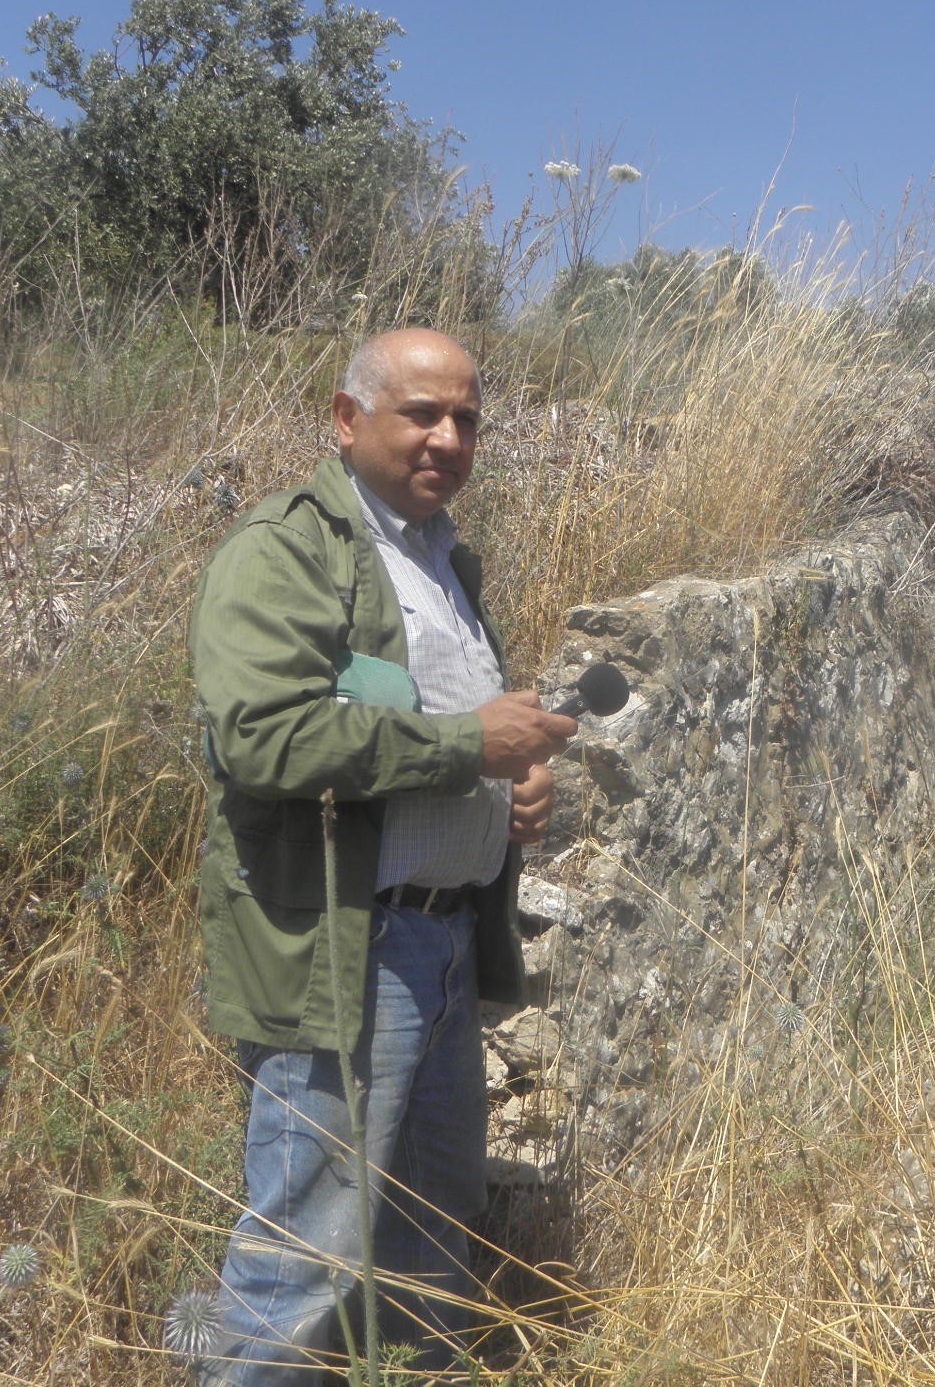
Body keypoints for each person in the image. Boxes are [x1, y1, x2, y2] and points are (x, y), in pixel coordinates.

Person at [191, 328, 576, 1381]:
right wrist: (468, 748)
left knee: (424, 1251)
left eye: (465, 419)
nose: (446, 437)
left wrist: (509, 783)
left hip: (443, 945)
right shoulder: (285, 550)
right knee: (303, 1256)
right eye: (420, 413)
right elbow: (263, 736)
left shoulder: (444, 557)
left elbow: (438, 732)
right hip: (344, 948)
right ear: (347, 418)